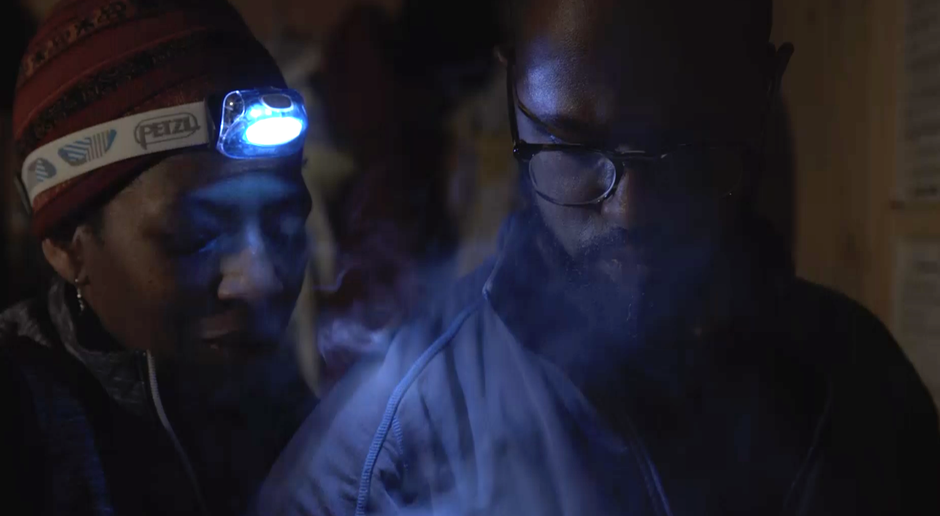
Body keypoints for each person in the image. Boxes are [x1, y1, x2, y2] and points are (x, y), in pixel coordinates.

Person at [258, 0, 940, 514]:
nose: (630, 210)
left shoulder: (863, 386)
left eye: (686, 146)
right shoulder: (387, 451)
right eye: (572, 145)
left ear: (761, 96)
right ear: (512, 93)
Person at [0, 1, 315, 514]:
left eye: (284, 222)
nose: (261, 279)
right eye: (195, 236)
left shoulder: (292, 416)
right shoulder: (20, 425)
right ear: (64, 244)